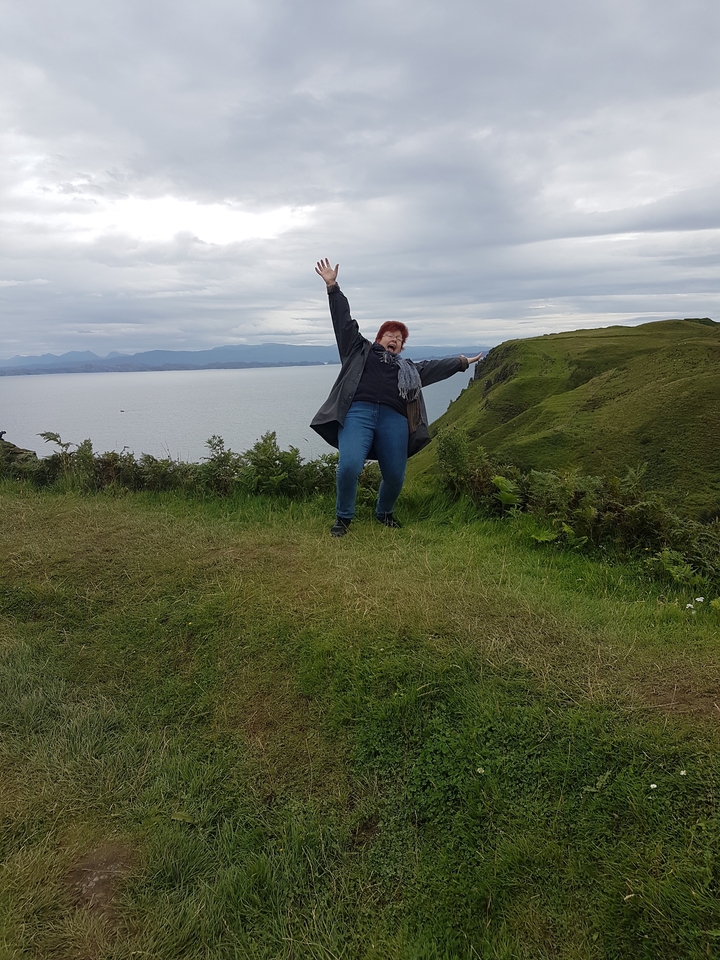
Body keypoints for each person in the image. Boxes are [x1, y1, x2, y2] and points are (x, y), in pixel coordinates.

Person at [310, 259, 483, 537]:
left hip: (395, 419)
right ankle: (343, 518)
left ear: (401, 347)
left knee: (395, 475)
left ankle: (385, 513)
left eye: (399, 338)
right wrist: (333, 287)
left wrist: (463, 361)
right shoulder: (358, 350)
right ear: (378, 339)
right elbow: (344, 323)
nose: (394, 338)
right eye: (389, 334)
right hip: (358, 413)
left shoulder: (410, 370)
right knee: (349, 466)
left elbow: (436, 367)